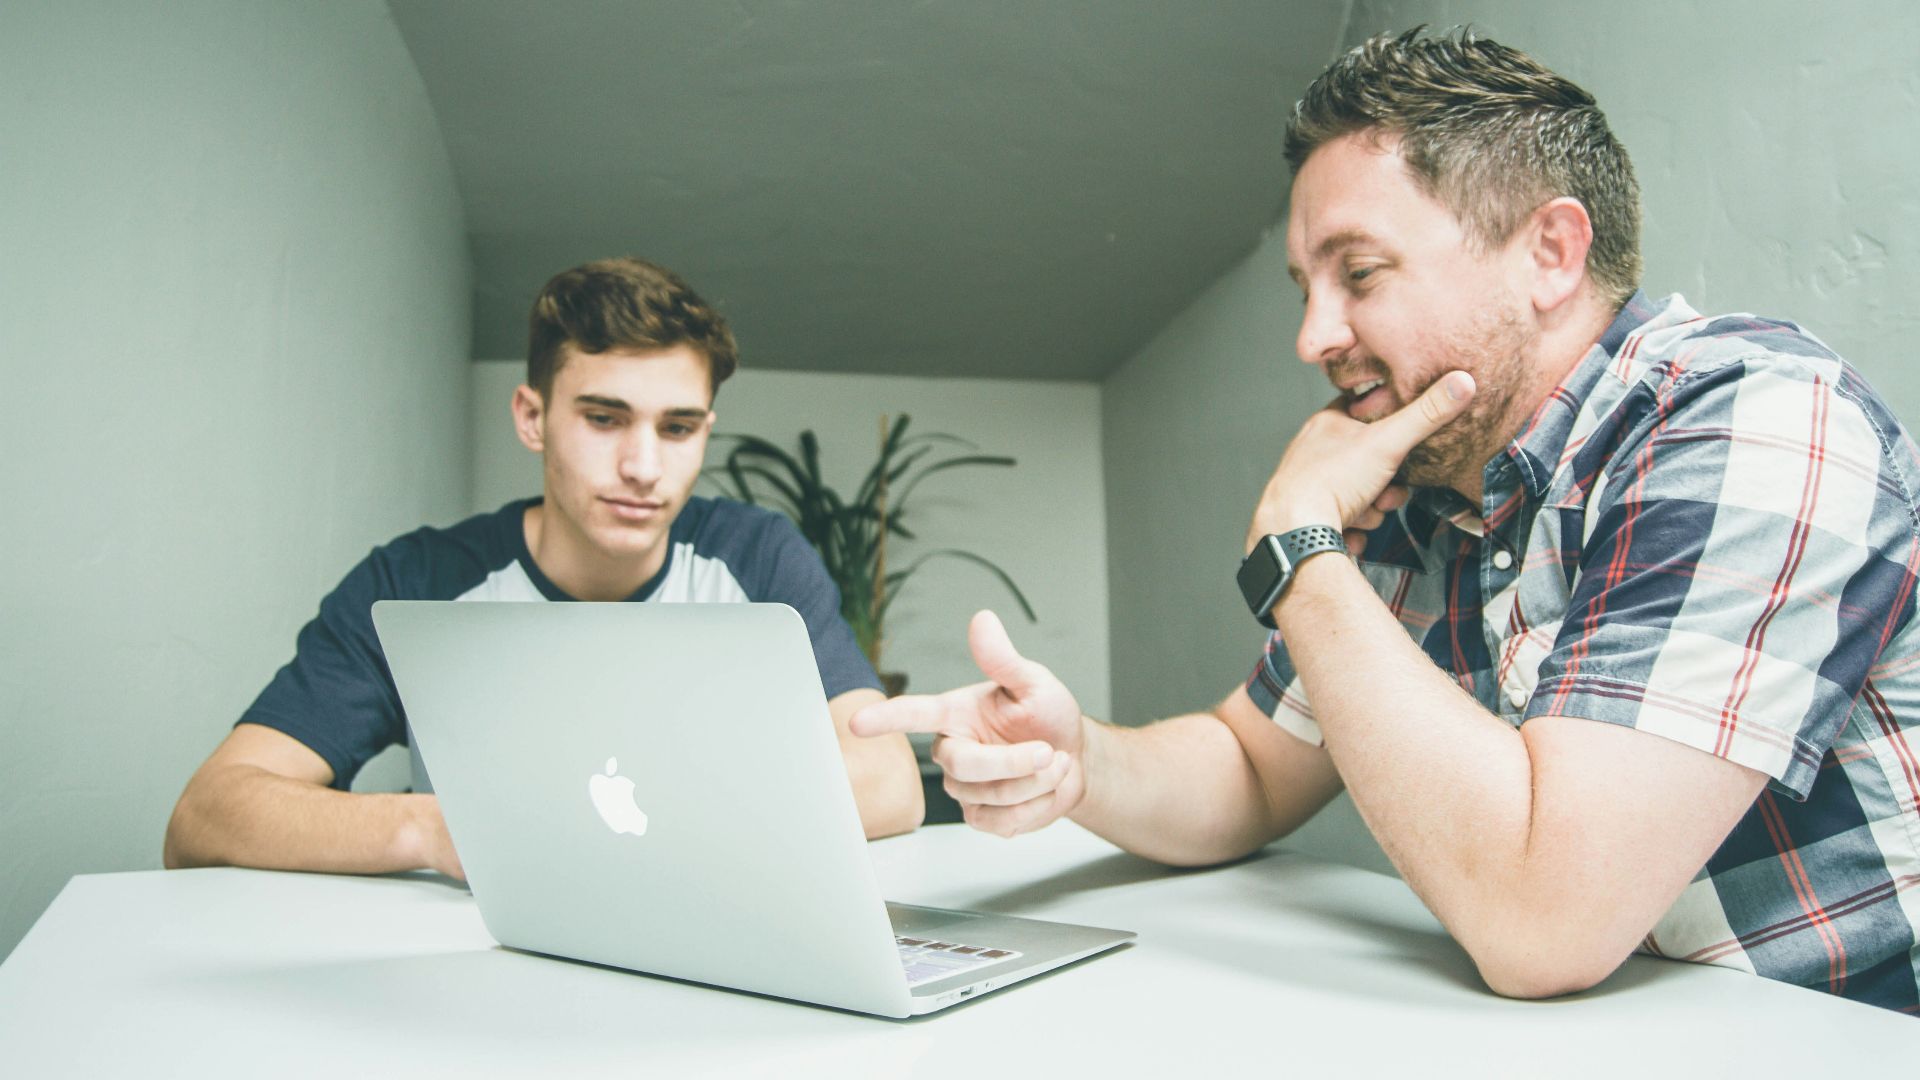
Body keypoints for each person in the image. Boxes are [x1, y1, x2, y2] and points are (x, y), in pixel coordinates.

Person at [854, 29, 1920, 1013]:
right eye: (1305, 286)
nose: (1315, 335)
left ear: (1549, 252)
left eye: (1359, 273)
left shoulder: (1754, 422)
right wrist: (1081, 757)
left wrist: (1296, 543)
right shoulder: (1428, 488)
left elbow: (1544, 923)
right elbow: (1248, 765)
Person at [166, 257, 924, 879]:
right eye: (603, 418)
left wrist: (616, 818)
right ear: (533, 417)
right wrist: (436, 830)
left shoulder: (756, 558)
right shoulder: (418, 581)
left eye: (678, 428)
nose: (643, 466)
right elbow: (208, 813)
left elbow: (890, 784)